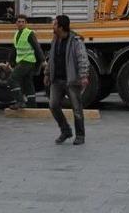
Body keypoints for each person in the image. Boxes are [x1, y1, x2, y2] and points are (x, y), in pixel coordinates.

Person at [44, 15, 89, 145]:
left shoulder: (75, 41)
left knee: (77, 108)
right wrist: (47, 74)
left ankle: (80, 135)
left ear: (61, 27)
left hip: (71, 81)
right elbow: (51, 58)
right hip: (56, 80)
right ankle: (66, 131)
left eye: (54, 24)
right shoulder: (55, 39)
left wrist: (84, 76)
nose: (52, 27)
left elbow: (82, 58)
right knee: (53, 105)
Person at [7, 14, 45, 109]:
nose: (20, 24)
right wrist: (9, 61)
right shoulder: (16, 34)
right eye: (19, 22)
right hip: (22, 61)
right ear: (16, 23)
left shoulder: (29, 33)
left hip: (28, 61)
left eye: (23, 22)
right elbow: (14, 49)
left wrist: (43, 60)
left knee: (12, 79)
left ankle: (20, 101)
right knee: (28, 82)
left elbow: (37, 48)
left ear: (26, 23)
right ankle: (32, 104)